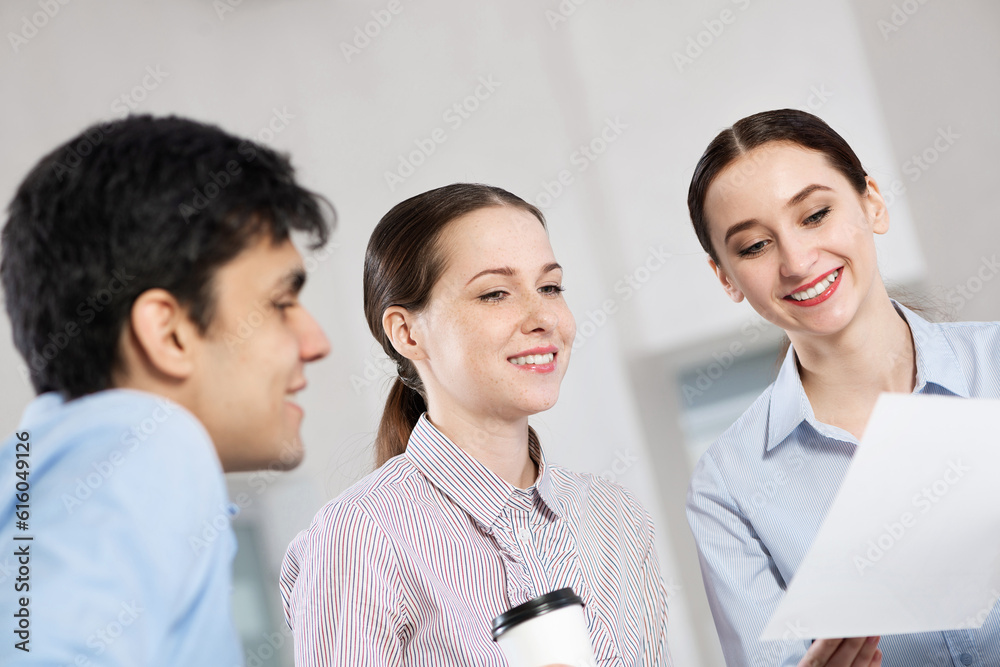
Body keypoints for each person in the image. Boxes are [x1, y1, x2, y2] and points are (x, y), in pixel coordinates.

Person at [280, 183, 671, 666]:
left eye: (549, 286)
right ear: (407, 333)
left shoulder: (615, 519)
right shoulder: (360, 537)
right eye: (494, 294)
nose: (542, 316)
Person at [0, 115, 333, 666]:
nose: (315, 341)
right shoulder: (149, 449)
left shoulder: (45, 475)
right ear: (169, 334)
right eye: (280, 302)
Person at [685, 108, 1000, 667]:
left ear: (871, 202)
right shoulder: (728, 486)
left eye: (815, 214)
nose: (798, 262)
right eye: (754, 246)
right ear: (725, 277)